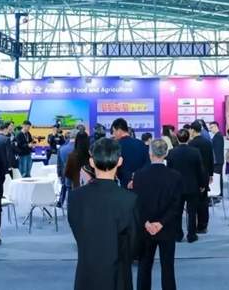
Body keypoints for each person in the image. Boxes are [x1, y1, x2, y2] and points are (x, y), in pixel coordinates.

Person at [68, 137, 139, 290]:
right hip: (118, 275)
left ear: (91, 162)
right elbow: (134, 244)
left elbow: (77, 230)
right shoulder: (129, 199)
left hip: (86, 273)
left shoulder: (75, 197)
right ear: (120, 161)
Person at [133, 140, 183, 290]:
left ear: (150, 153)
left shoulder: (139, 175)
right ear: (166, 153)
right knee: (168, 267)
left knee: (144, 266)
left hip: (146, 228)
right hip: (167, 227)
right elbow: (177, 205)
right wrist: (161, 223)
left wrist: (146, 223)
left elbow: (136, 204)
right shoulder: (175, 176)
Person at [166, 129, 205, 243]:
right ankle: (191, 235)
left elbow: (169, 170)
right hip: (192, 186)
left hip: (177, 187)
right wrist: (202, 184)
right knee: (192, 212)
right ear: (188, 138)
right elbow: (200, 170)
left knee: (177, 212)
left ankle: (178, 235)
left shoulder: (172, 152)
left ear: (177, 139)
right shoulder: (195, 151)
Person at [188, 120, 214, 234]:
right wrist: (211, 174)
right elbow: (211, 159)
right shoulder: (207, 142)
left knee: (194, 201)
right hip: (205, 174)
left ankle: (193, 226)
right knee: (204, 200)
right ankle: (203, 226)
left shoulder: (191, 144)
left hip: (193, 175)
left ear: (193, 130)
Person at [112, 118, 150, 189]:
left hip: (123, 186)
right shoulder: (141, 144)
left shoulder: (115, 146)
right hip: (141, 184)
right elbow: (148, 164)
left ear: (119, 131)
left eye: (114, 131)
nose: (113, 134)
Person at [209, 121, 225, 196]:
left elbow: (217, 151)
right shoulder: (217, 136)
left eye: (211, 127)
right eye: (210, 128)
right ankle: (219, 193)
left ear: (216, 126)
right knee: (218, 177)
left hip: (217, 161)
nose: (210, 129)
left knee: (218, 178)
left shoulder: (218, 136)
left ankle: (219, 194)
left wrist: (214, 161)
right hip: (218, 161)